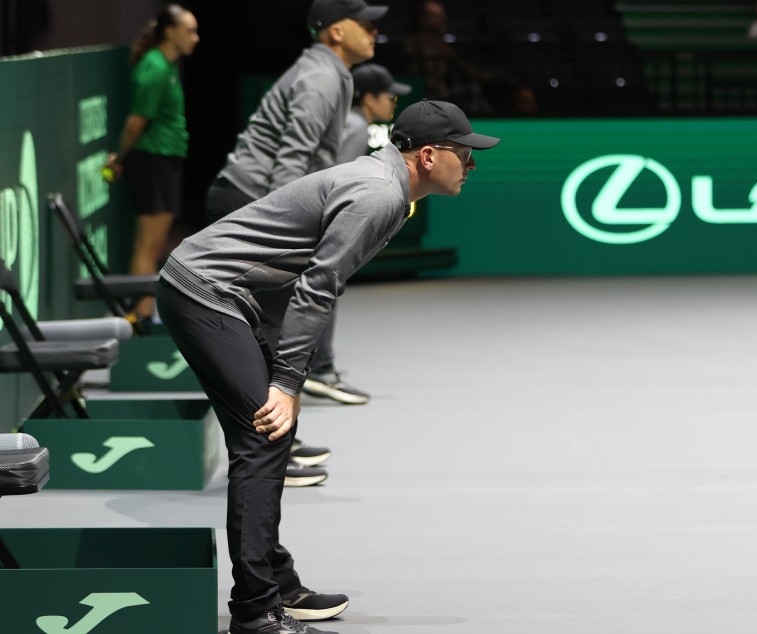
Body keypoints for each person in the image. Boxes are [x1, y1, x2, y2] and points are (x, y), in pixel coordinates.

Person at [157, 99, 499, 634]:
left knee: (267, 437)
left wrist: (273, 360)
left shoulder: (387, 187)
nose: (472, 164)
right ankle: (255, 610)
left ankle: (276, 581)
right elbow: (317, 288)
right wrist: (288, 381)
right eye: (465, 153)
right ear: (429, 157)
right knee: (264, 437)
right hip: (205, 293)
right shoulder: (379, 194)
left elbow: (289, 268)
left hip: (220, 294)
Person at [206, 0, 386, 429]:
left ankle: (272, 441)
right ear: (336, 32)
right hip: (252, 199)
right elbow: (291, 163)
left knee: (276, 323)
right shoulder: (321, 77)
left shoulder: (329, 72)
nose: (374, 32)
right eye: (364, 25)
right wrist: (279, 232)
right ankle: (269, 442)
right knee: (273, 326)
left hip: (248, 196)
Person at [103, 4, 199, 322]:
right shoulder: (154, 68)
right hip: (151, 161)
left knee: (156, 243)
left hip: (165, 158)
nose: (195, 38)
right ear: (170, 32)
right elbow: (135, 123)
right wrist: (120, 158)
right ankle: (139, 314)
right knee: (148, 244)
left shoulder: (167, 66)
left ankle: (143, 309)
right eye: (190, 31)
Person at [403, 0, 492, 114]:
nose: (443, 19)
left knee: (474, 91)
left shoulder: (445, 47)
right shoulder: (413, 44)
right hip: (424, 99)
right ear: (423, 20)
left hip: (445, 97)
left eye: (443, 15)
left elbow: (469, 73)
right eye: (437, 16)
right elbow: (412, 78)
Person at [338, 63, 412, 162]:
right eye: (392, 99)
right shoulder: (357, 126)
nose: (394, 105)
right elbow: (337, 173)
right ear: (370, 99)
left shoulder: (351, 120)